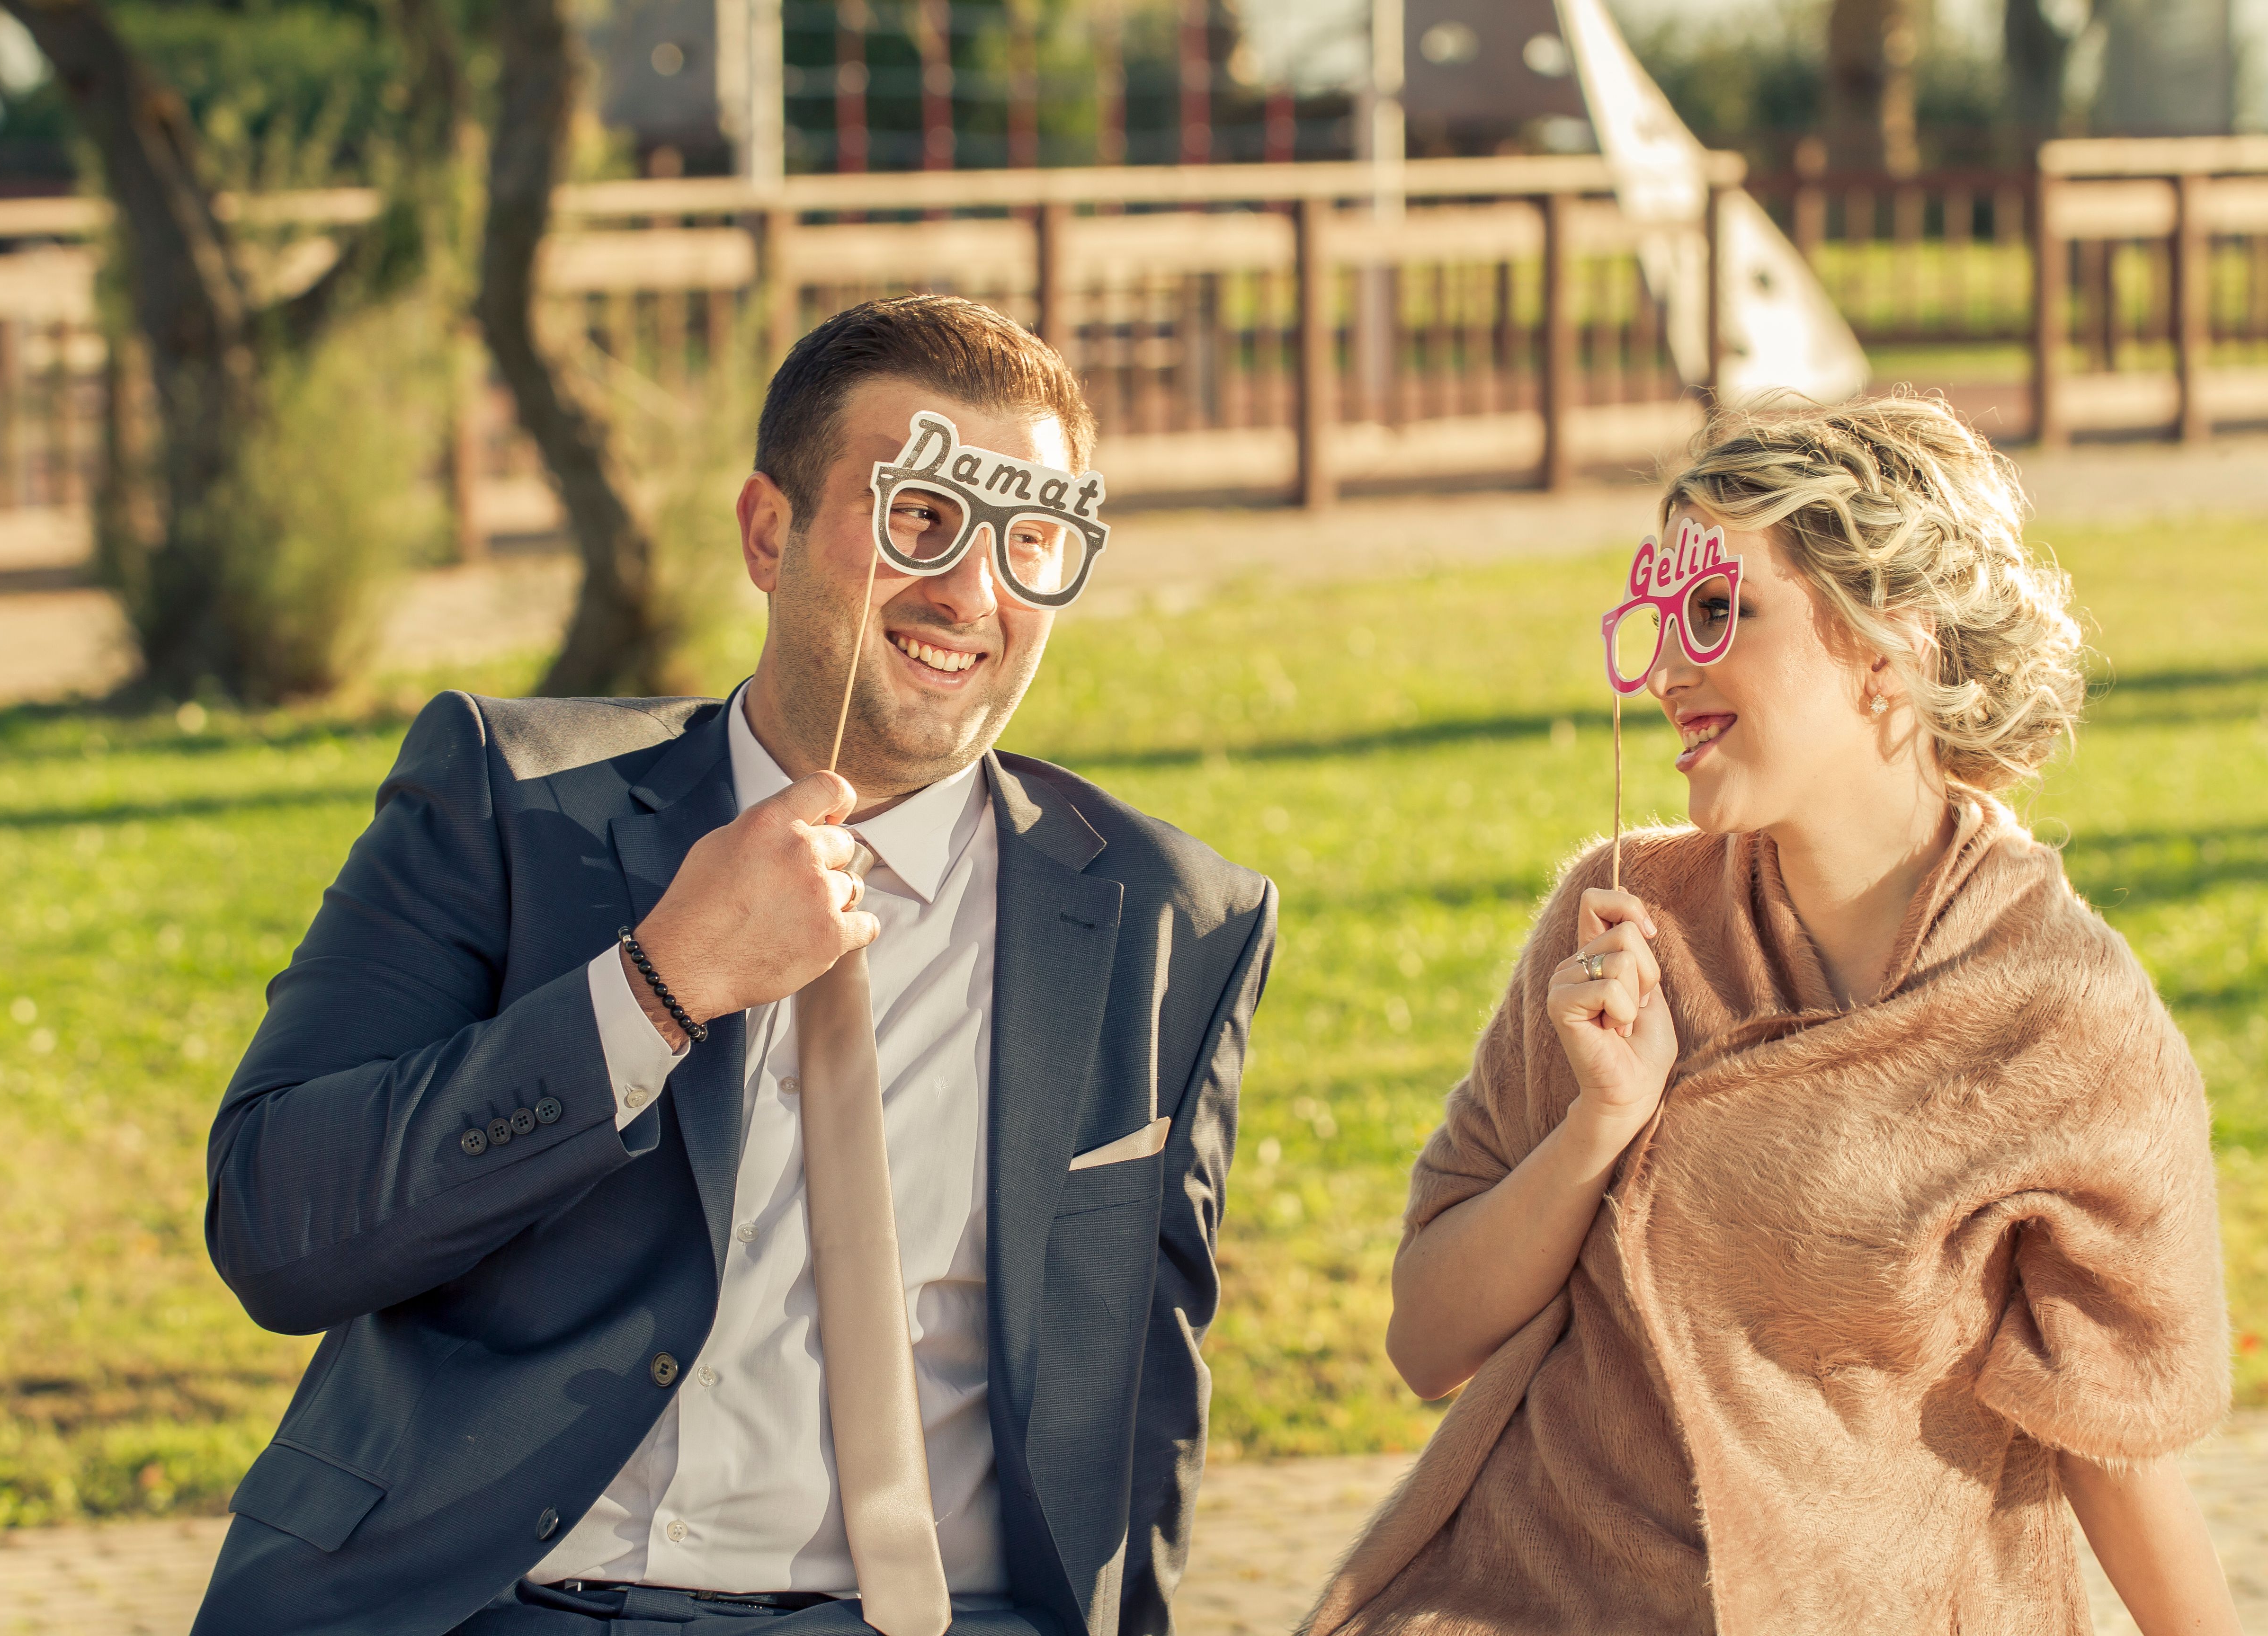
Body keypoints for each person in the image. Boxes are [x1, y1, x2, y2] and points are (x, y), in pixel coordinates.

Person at [192, 295, 1277, 1636]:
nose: (970, 595)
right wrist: (654, 989)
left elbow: (1137, 1418)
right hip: (492, 1605)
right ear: (770, 535)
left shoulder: (1174, 921)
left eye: (1033, 543)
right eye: (920, 522)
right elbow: (276, 1230)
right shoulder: (510, 803)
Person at [1307, 397, 2238, 1636]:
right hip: (1528, 1596)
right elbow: (1427, 1339)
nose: (1670, 665)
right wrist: (1599, 1128)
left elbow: (2112, 1440)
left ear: (1886, 647)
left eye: (1718, 612)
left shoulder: (2063, 1019)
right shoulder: (1622, 919)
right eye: (1662, 615)